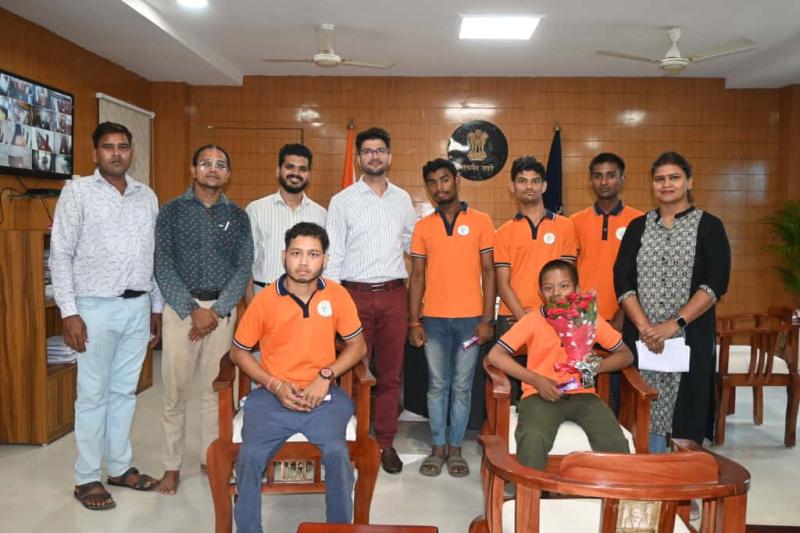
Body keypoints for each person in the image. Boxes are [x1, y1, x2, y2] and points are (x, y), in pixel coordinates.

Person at [50, 121, 162, 510]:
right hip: (94, 308)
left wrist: (156, 307)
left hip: (137, 307)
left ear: (132, 152)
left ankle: (119, 467)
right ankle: (86, 478)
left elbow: (152, 254)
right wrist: (69, 312)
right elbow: (61, 254)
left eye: (123, 146)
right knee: (92, 395)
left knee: (124, 393)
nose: (117, 153)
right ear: (95, 153)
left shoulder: (146, 195)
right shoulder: (77, 192)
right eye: (108, 147)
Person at [230, 222, 367, 531]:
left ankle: (337, 529)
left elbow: (358, 346)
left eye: (313, 254)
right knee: (250, 457)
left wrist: (325, 375)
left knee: (337, 453)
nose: (304, 262)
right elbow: (238, 352)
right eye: (296, 253)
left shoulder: (337, 295)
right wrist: (274, 384)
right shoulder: (265, 299)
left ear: (325, 259)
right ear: (284, 256)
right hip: (271, 395)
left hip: (324, 397)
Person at [614, 151, 730, 452]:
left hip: (689, 337)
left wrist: (673, 325)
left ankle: (682, 476)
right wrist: (646, 328)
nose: (666, 184)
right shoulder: (638, 227)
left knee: (686, 415)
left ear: (689, 182)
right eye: (659, 179)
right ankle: (645, 473)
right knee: (642, 407)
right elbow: (623, 281)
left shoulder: (709, 227)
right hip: (642, 339)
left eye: (674, 177)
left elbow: (715, 284)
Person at [154, 144, 253, 494]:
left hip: (222, 312)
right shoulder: (171, 211)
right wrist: (191, 309)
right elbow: (162, 264)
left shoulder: (238, 216)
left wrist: (217, 310)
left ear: (228, 174)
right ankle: (171, 467)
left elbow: (243, 267)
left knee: (217, 391)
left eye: (220, 164)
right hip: (181, 310)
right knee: (175, 393)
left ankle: (212, 459)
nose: (213, 169)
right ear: (193, 169)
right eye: (206, 163)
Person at [325, 127, 417, 474]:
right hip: (354, 297)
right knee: (352, 372)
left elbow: (413, 245)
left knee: (391, 375)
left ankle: (386, 442)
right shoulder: (342, 201)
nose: (374, 156)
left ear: (389, 156)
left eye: (380, 150)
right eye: (367, 151)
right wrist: (333, 304)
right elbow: (333, 255)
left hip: (394, 295)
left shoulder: (403, 200)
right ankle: (352, 439)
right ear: (359, 158)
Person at [485, 260, 633, 470]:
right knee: (533, 437)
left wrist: (595, 367)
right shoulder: (533, 320)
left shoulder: (589, 318)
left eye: (564, 286)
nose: (556, 293)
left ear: (577, 289)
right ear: (540, 293)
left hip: (583, 395)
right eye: (548, 288)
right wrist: (536, 380)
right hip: (539, 395)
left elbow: (626, 355)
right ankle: (529, 490)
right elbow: (495, 355)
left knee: (614, 441)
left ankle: (609, 490)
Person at [408, 158, 496, 478]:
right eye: (432, 182)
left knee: (461, 387)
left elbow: (489, 271)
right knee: (437, 386)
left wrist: (487, 319)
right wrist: (414, 322)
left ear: (457, 180)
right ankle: (438, 447)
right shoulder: (423, 226)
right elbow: (417, 276)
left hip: (470, 321)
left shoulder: (482, 221)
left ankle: (456, 447)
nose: (439, 187)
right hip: (433, 321)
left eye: (444, 180)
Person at [494, 155, 578, 402]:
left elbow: (569, 278)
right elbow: (502, 282)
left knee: (551, 382)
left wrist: (551, 317)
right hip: (513, 318)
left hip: (556, 319)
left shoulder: (565, 226)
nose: (528, 186)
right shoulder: (503, 232)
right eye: (522, 181)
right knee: (510, 390)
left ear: (544, 186)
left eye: (534, 181)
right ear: (512, 187)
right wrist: (524, 318)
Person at [570, 153, 643, 330]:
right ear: (590, 180)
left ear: (622, 179)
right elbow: (569, 271)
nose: (604, 182)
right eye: (598, 176)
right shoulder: (574, 221)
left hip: (627, 316)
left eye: (610, 175)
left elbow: (643, 273)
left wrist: (624, 312)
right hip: (584, 316)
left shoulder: (640, 221)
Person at [245, 143, 326, 301]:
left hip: (308, 297)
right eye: (290, 167)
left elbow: (323, 260)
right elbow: (245, 261)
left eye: (302, 169)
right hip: (264, 294)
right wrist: (250, 299)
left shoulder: (321, 214)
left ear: (309, 175)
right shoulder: (256, 210)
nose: (295, 173)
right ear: (278, 171)